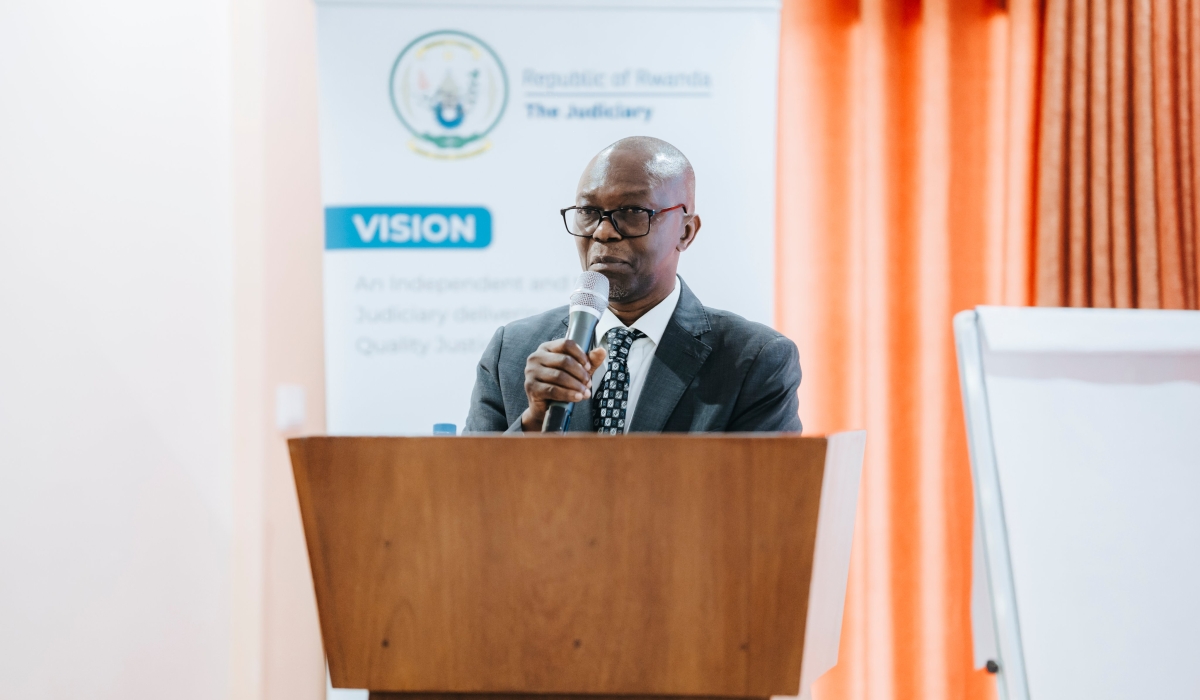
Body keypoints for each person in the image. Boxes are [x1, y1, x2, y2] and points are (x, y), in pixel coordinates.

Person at [465, 136, 801, 433]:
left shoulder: (753, 361)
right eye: (588, 211)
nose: (603, 231)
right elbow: (468, 494)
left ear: (686, 232)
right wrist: (534, 422)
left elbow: (761, 498)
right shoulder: (512, 351)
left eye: (632, 211)